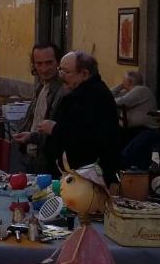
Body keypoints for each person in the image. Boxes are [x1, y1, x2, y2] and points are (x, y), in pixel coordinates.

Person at [36, 51, 120, 184]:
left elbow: (87, 136)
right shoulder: (79, 92)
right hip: (71, 174)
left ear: (85, 74)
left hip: (85, 177)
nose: (60, 76)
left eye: (66, 72)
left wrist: (55, 128)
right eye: (60, 70)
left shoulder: (93, 96)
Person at [12, 43, 68, 174]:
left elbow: (58, 132)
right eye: (39, 63)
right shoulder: (41, 86)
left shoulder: (62, 90)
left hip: (50, 162)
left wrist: (32, 137)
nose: (44, 69)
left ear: (58, 62)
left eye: (49, 63)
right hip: (33, 158)